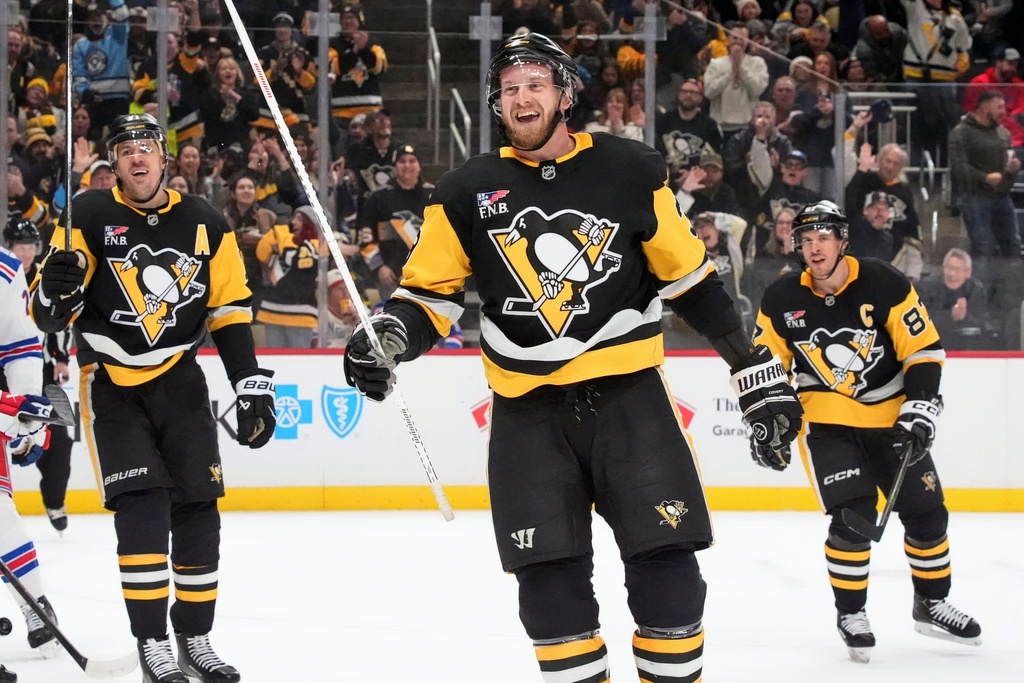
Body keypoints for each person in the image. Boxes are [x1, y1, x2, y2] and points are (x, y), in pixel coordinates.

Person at [342, 32, 803, 683]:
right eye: (509, 89)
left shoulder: (632, 169)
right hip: (528, 418)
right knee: (550, 595)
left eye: (535, 83)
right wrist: (390, 335)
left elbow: (691, 280)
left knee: (669, 579)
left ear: (564, 93)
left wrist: (753, 370)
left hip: (631, 402)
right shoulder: (464, 190)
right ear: (499, 106)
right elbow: (428, 298)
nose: (521, 97)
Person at [29, 113, 277, 683]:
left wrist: (251, 385)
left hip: (180, 381)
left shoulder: (204, 222)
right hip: (112, 383)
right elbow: (48, 317)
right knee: (142, 509)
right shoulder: (86, 215)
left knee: (198, 511)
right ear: (112, 164)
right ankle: (152, 643)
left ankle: (196, 636)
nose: (138, 157)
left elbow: (231, 310)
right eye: (125, 150)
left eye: (146, 147)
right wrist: (56, 289)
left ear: (165, 158)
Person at [752, 200, 982, 664]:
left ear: (842, 241)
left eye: (823, 239)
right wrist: (764, 418)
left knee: (928, 515)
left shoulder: (884, 282)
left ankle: (931, 602)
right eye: (806, 240)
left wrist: (919, 408)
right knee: (852, 521)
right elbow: (763, 367)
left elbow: (924, 350)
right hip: (830, 425)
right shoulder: (781, 299)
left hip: (893, 423)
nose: (814, 249)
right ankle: (851, 613)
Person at [0, 217, 61, 662]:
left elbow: (20, 348)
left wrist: (25, 416)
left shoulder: (4, 272)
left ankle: (35, 605)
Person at [3, 213, 73, 535]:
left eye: (31, 245)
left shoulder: (45, 280)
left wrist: (60, 358)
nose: (27, 251)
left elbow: (59, 320)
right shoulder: (5, 278)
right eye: (21, 245)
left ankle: (54, 499)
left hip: (40, 369)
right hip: (4, 369)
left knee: (58, 436)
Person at [948, 89, 1021, 284]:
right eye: (999, 106)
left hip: (1002, 196)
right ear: (985, 105)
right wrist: (984, 178)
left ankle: (1011, 294)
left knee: (1013, 245)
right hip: (974, 196)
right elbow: (958, 167)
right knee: (982, 246)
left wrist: (1013, 170)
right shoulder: (961, 132)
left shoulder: (1003, 133)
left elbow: (1008, 163)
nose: (1003, 111)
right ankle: (980, 295)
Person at [918, 248, 994, 349]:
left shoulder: (976, 289)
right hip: (932, 346)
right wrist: (951, 316)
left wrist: (964, 316)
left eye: (957, 270)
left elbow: (983, 324)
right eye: (949, 268)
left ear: (967, 273)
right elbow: (921, 321)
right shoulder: (927, 287)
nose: (952, 274)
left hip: (967, 349)